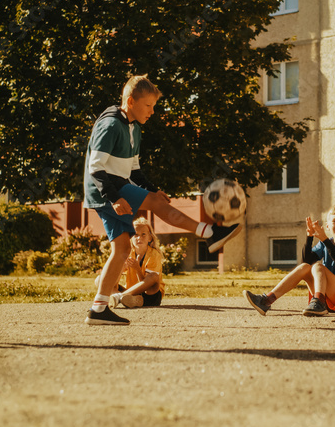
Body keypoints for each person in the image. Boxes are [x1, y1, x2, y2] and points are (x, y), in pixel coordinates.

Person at [84, 75, 240, 325]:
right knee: (157, 207)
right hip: (107, 188)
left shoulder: (134, 127)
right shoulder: (111, 125)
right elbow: (95, 166)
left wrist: (151, 189)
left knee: (123, 249)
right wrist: (113, 198)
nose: (152, 111)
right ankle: (209, 232)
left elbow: (134, 169)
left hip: (117, 186)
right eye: (149, 106)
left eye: (154, 106)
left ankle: (99, 309)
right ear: (131, 101)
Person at [243, 205, 335, 317]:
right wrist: (309, 237)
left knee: (318, 267)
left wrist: (324, 239)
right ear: (328, 226)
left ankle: (319, 302)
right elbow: (306, 262)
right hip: (329, 299)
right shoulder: (326, 243)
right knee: (306, 267)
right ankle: (266, 301)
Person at [109, 217, 166, 308]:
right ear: (130, 238)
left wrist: (137, 269)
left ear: (150, 238)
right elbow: (115, 281)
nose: (139, 238)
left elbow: (147, 286)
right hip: (131, 293)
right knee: (102, 279)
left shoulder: (154, 255)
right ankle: (132, 301)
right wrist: (122, 268)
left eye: (143, 234)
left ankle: (119, 297)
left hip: (150, 296)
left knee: (154, 276)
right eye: (135, 234)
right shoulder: (128, 253)